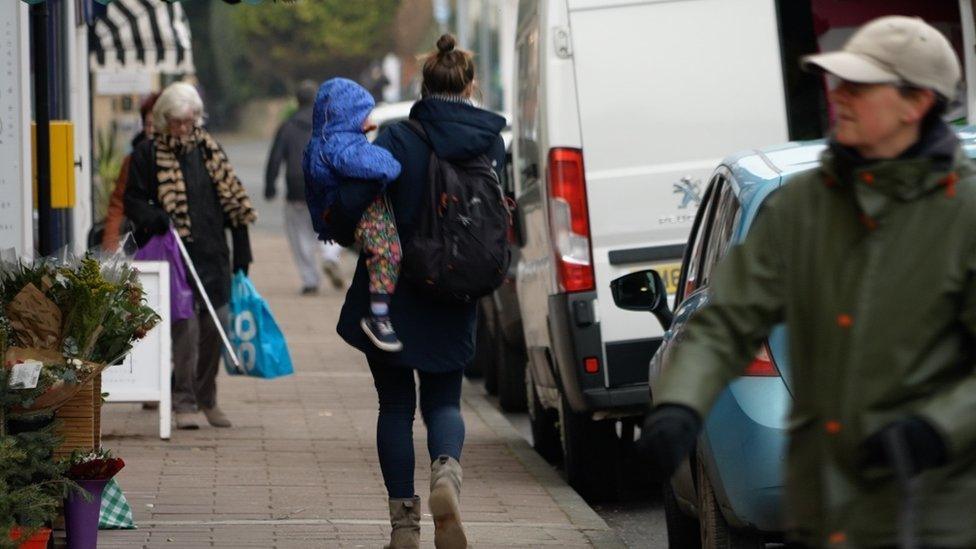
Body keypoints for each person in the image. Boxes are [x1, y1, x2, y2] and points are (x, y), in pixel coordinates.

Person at [639, 16, 976, 548]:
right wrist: (683, 400)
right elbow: (729, 313)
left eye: (861, 87)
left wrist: (937, 425)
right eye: (839, 82)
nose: (839, 96)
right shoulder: (804, 206)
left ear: (916, 104)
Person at [337, 34, 505, 549]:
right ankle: (446, 478)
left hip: (393, 293)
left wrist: (356, 236)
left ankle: (403, 528)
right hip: (456, 289)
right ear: (470, 85)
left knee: (393, 406)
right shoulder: (490, 140)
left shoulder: (397, 139)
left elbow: (351, 202)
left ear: (423, 84)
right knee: (444, 402)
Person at [124, 81, 256, 431]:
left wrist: (242, 246)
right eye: (176, 121)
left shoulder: (210, 149)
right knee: (186, 329)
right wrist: (154, 216)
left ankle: (206, 396)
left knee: (218, 323)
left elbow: (234, 199)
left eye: (188, 120)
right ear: (164, 120)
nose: (183, 128)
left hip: (213, 252)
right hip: (175, 256)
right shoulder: (147, 154)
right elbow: (132, 200)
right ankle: (183, 401)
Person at [303, 78, 404, 351]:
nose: (368, 120)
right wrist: (388, 159)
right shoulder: (343, 146)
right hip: (364, 214)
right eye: (363, 115)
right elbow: (385, 168)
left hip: (336, 214)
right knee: (387, 252)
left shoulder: (320, 142)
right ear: (347, 114)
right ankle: (379, 316)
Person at [265, 79, 344, 295]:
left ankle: (310, 279)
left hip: (296, 187)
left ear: (296, 101)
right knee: (331, 223)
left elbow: (275, 157)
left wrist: (270, 186)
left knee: (299, 232)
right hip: (324, 184)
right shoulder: (328, 124)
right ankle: (329, 256)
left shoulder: (287, 126)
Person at [101, 92, 160, 252]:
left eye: (157, 125)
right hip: (140, 245)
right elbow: (117, 206)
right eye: (148, 124)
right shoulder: (132, 161)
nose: (152, 130)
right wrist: (111, 249)